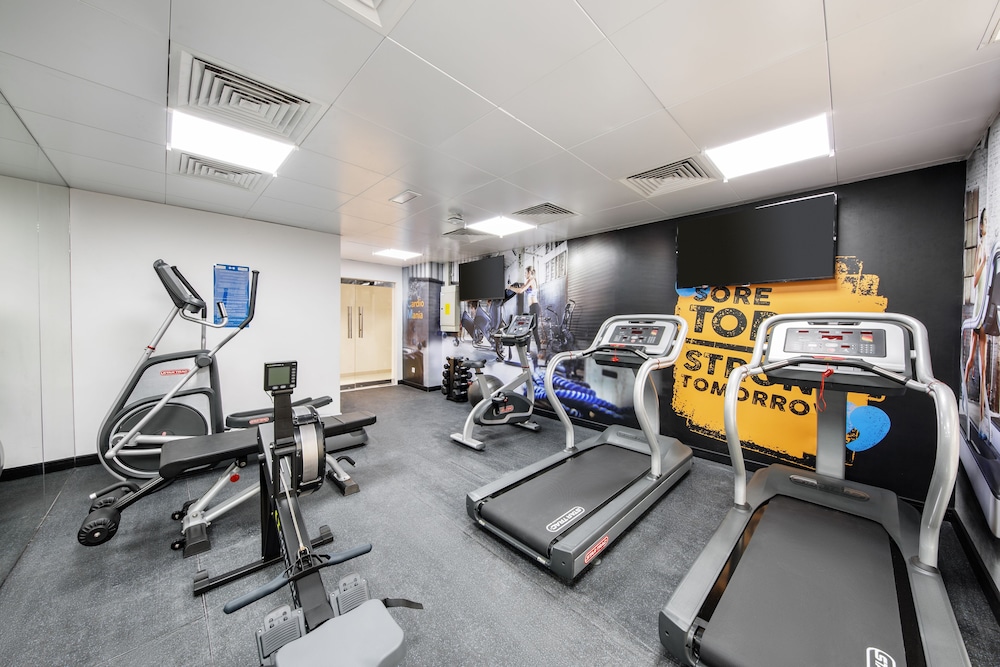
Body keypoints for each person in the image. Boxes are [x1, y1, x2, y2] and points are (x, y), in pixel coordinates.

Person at [965, 209, 991, 426]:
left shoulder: (990, 248)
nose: (985, 226)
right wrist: (984, 263)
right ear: (981, 226)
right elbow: (974, 282)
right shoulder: (981, 249)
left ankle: (982, 412)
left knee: (982, 363)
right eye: (984, 222)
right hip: (978, 310)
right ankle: (962, 395)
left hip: (987, 307)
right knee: (973, 359)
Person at [508, 266, 541, 356]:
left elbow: (520, 290)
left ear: (530, 272)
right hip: (532, 308)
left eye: (526, 273)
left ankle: (535, 351)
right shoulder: (527, 281)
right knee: (529, 330)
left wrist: (510, 288)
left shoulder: (532, 280)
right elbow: (520, 288)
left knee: (533, 330)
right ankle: (528, 351)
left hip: (535, 307)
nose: (525, 274)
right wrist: (514, 287)